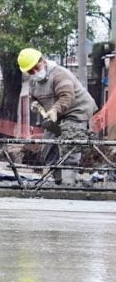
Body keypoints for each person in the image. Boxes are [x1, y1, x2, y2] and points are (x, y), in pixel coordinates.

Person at [18, 48, 97, 185]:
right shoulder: (33, 82)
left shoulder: (59, 74)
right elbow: (33, 98)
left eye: (36, 68)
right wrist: (37, 106)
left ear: (42, 61)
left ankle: (69, 183)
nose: (35, 73)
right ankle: (59, 181)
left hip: (76, 110)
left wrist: (55, 110)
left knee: (70, 143)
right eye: (30, 71)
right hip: (56, 116)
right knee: (48, 146)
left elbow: (67, 97)